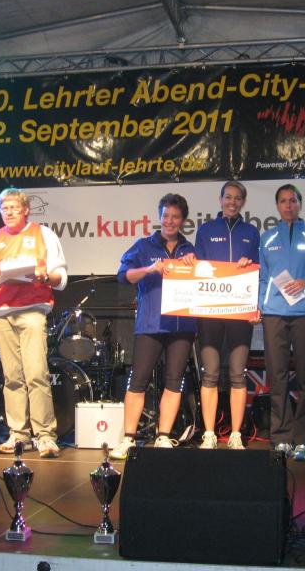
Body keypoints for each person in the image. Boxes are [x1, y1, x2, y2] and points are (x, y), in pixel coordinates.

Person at [0, 188, 68, 458]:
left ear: (26, 210)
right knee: (12, 377)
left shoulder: (43, 234)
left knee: (36, 373)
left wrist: (44, 276)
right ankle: (19, 434)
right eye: (4, 208)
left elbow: (61, 278)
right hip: (0, 311)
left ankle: (45, 435)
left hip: (32, 310)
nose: (9, 212)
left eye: (14, 207)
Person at [110, 194, 196, 460]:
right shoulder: (143, 246)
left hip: (182, 324)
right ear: (160, 217)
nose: (170, 221)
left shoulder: (189, 249)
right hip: (150, 323)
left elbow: (205, 281)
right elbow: (123, 276)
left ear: (183, 220)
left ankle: (163, 436)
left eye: (175, 217)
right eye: (166, 216)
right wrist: (149, 269)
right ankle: (128, 438)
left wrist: (194, 266)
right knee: (138, 381)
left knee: (174, 381)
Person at [257, 184, 305, 461]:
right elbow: (263, 277)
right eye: (283, 201)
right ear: (277, 206)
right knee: (277, 376)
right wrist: (261, 305)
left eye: (293, 200)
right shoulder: (267, 238)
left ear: (299, 203)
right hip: (274, 313)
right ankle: (281, 438)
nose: (288, 205)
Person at [191, 181, 260, 450]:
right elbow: (198, 269)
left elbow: (257, 271)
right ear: (220, 200)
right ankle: (209, 433)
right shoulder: (206, 230)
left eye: (237, 198)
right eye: (228, 197)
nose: (232, 202)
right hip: (210, 312)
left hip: (240, 312)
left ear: (243, 202)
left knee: (237, 374)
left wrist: (248, 265)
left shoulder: (251, 232)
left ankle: (236, 434)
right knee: (210, 373)